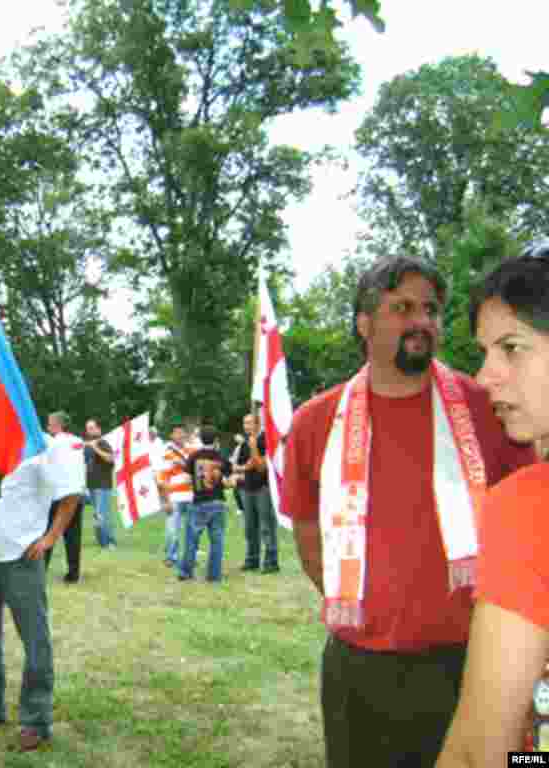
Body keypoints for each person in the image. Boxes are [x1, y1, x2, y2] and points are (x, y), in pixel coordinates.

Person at [283, 256, 533, 768]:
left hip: (471, 662)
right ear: (365, 322)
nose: (421, 320)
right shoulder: (316, 422)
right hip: (359, 667)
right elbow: (308, 538)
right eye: (401, 307)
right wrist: (369, 608)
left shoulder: (491, 408)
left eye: (430, 309)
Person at [436, 244, 549, 765]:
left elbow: (482, 751)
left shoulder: (529, 506)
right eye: (485, 352)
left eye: (512, 347)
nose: (485, 376)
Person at [0, 422, 84, 751]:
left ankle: (36, 720)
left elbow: (71, 494)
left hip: (21, 557)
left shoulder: (45, 445)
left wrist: (50, 538)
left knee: (35, 639)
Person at [178, 426, 233, 583]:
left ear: (200, 438)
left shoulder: (194, 456)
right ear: (216, 440)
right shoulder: (222, 457)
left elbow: (186, 479)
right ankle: (214, 576)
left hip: (199, 501)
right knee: (217, 540)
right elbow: (229, 480)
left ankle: (186, 572)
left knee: (191, 539)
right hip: (217, 501)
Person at [43, 412, 86, 583]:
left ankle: (41, 569)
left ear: (58, 425)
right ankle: (73, 573)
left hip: (59, 494)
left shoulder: (54, 443)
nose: (48, 427)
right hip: (78, 492)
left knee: (49, 531)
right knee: (73, 536)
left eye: (50, 423)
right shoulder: (78, 441)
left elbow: (47, 466)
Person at [234, 412, 279, 573]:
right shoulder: (245, 443)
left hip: (263, 488)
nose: (246, 426)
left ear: (258, 424)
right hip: (247, 488)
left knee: (266, 527)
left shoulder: (266, 439)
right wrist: (247, 465)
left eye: (250, 423)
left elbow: (261, 466)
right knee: (250, 527)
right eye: (244, 423)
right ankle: (252, 559)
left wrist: (254, 451)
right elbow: (237, 466)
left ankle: (271, 561)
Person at [157, 422, 192, 569]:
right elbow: (161, 478)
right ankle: (171, 556)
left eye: (182, 432)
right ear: (171, 435)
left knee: (191, 529)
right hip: (175, 496)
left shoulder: (192, 450)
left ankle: (189, 556)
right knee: (173, 529)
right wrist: (165, 500)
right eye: (176, 432)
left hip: (191, 495)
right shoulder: (166, 451)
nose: (179, 435)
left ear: (185, 434)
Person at [84, 419, 117, 549]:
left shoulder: (103, 443)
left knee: (103, 514)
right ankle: (101, 540)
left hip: (103, 485)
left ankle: (110, 541)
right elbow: (86, 464)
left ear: (98, 429)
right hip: (91, 485)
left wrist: (95, 447)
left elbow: (110, 458)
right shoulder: (88, 446)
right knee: (97, 515)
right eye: (88, 429)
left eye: (92, 428)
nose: (90, 431)